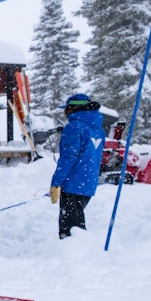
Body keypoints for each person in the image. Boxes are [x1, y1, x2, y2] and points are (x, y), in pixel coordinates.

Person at [49, 92, 104, 238]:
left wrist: (56, 183)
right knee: (76, 221)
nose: (64, 113)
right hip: (88, 183)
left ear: (72, 109)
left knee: (70, 230)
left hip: (73, 183)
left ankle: (73, 257)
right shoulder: (98, 129)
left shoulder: (74, 127)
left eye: (66, 109)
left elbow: (68, 157)